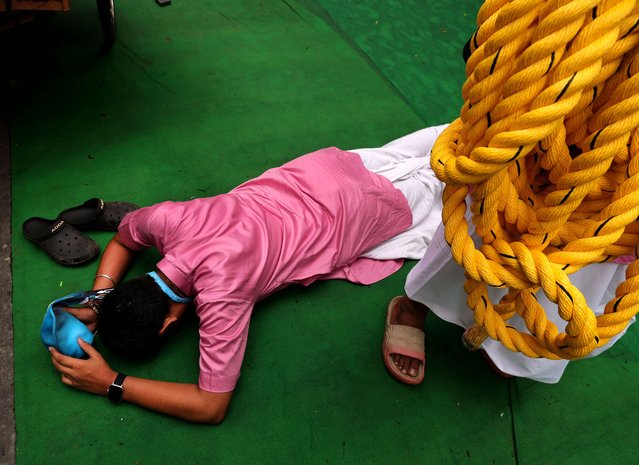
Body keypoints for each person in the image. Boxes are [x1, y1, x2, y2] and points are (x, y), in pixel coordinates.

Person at [48, 125, 448, 423]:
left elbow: (211, 405)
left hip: (365, 210)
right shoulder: (167, 219)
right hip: (322, 169)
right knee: (440, 139)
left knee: (453, 175)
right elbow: (123, 240)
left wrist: (112, 382)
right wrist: (101, 297)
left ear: (169, 326)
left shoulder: (221, 297)